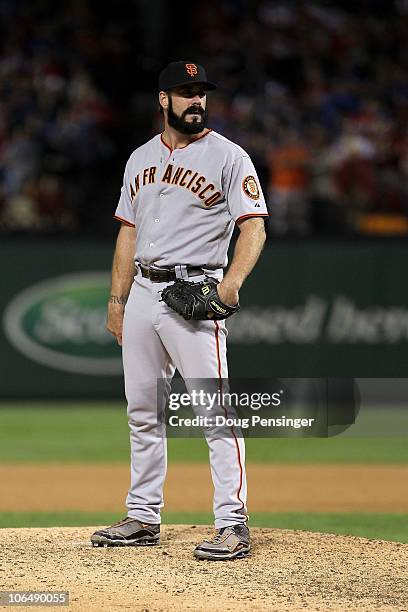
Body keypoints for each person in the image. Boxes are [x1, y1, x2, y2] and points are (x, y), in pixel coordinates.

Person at [91, 61, 268, 560]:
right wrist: (117, 300)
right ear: (163, 100)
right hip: (144, 293)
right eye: (185, 92)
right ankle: (143, 515)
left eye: (201, 93)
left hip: (195, 290)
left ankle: (233, 522)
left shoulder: (230, 157)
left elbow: (253, 226)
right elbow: (128, 231)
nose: (196, 101)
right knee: (142, 411)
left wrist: (231, 284)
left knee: (215, 412)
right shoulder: (139, 158)